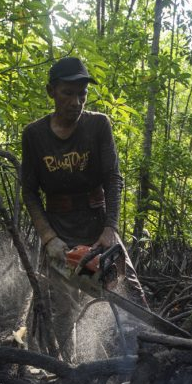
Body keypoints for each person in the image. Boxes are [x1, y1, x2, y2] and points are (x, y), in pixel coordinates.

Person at [20, 56, 148, 355]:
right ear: (51, 91)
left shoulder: (98, 125)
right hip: (59, 231)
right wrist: (48, 238)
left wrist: (110, 228)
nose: (76, 102)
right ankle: (71, 368)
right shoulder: (34, 135)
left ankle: (142, 359)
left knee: (129, 299)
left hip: (97, 225)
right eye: (68, 93)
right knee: (64, 308)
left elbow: (112, 178)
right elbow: (29, 192)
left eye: (82, 94)